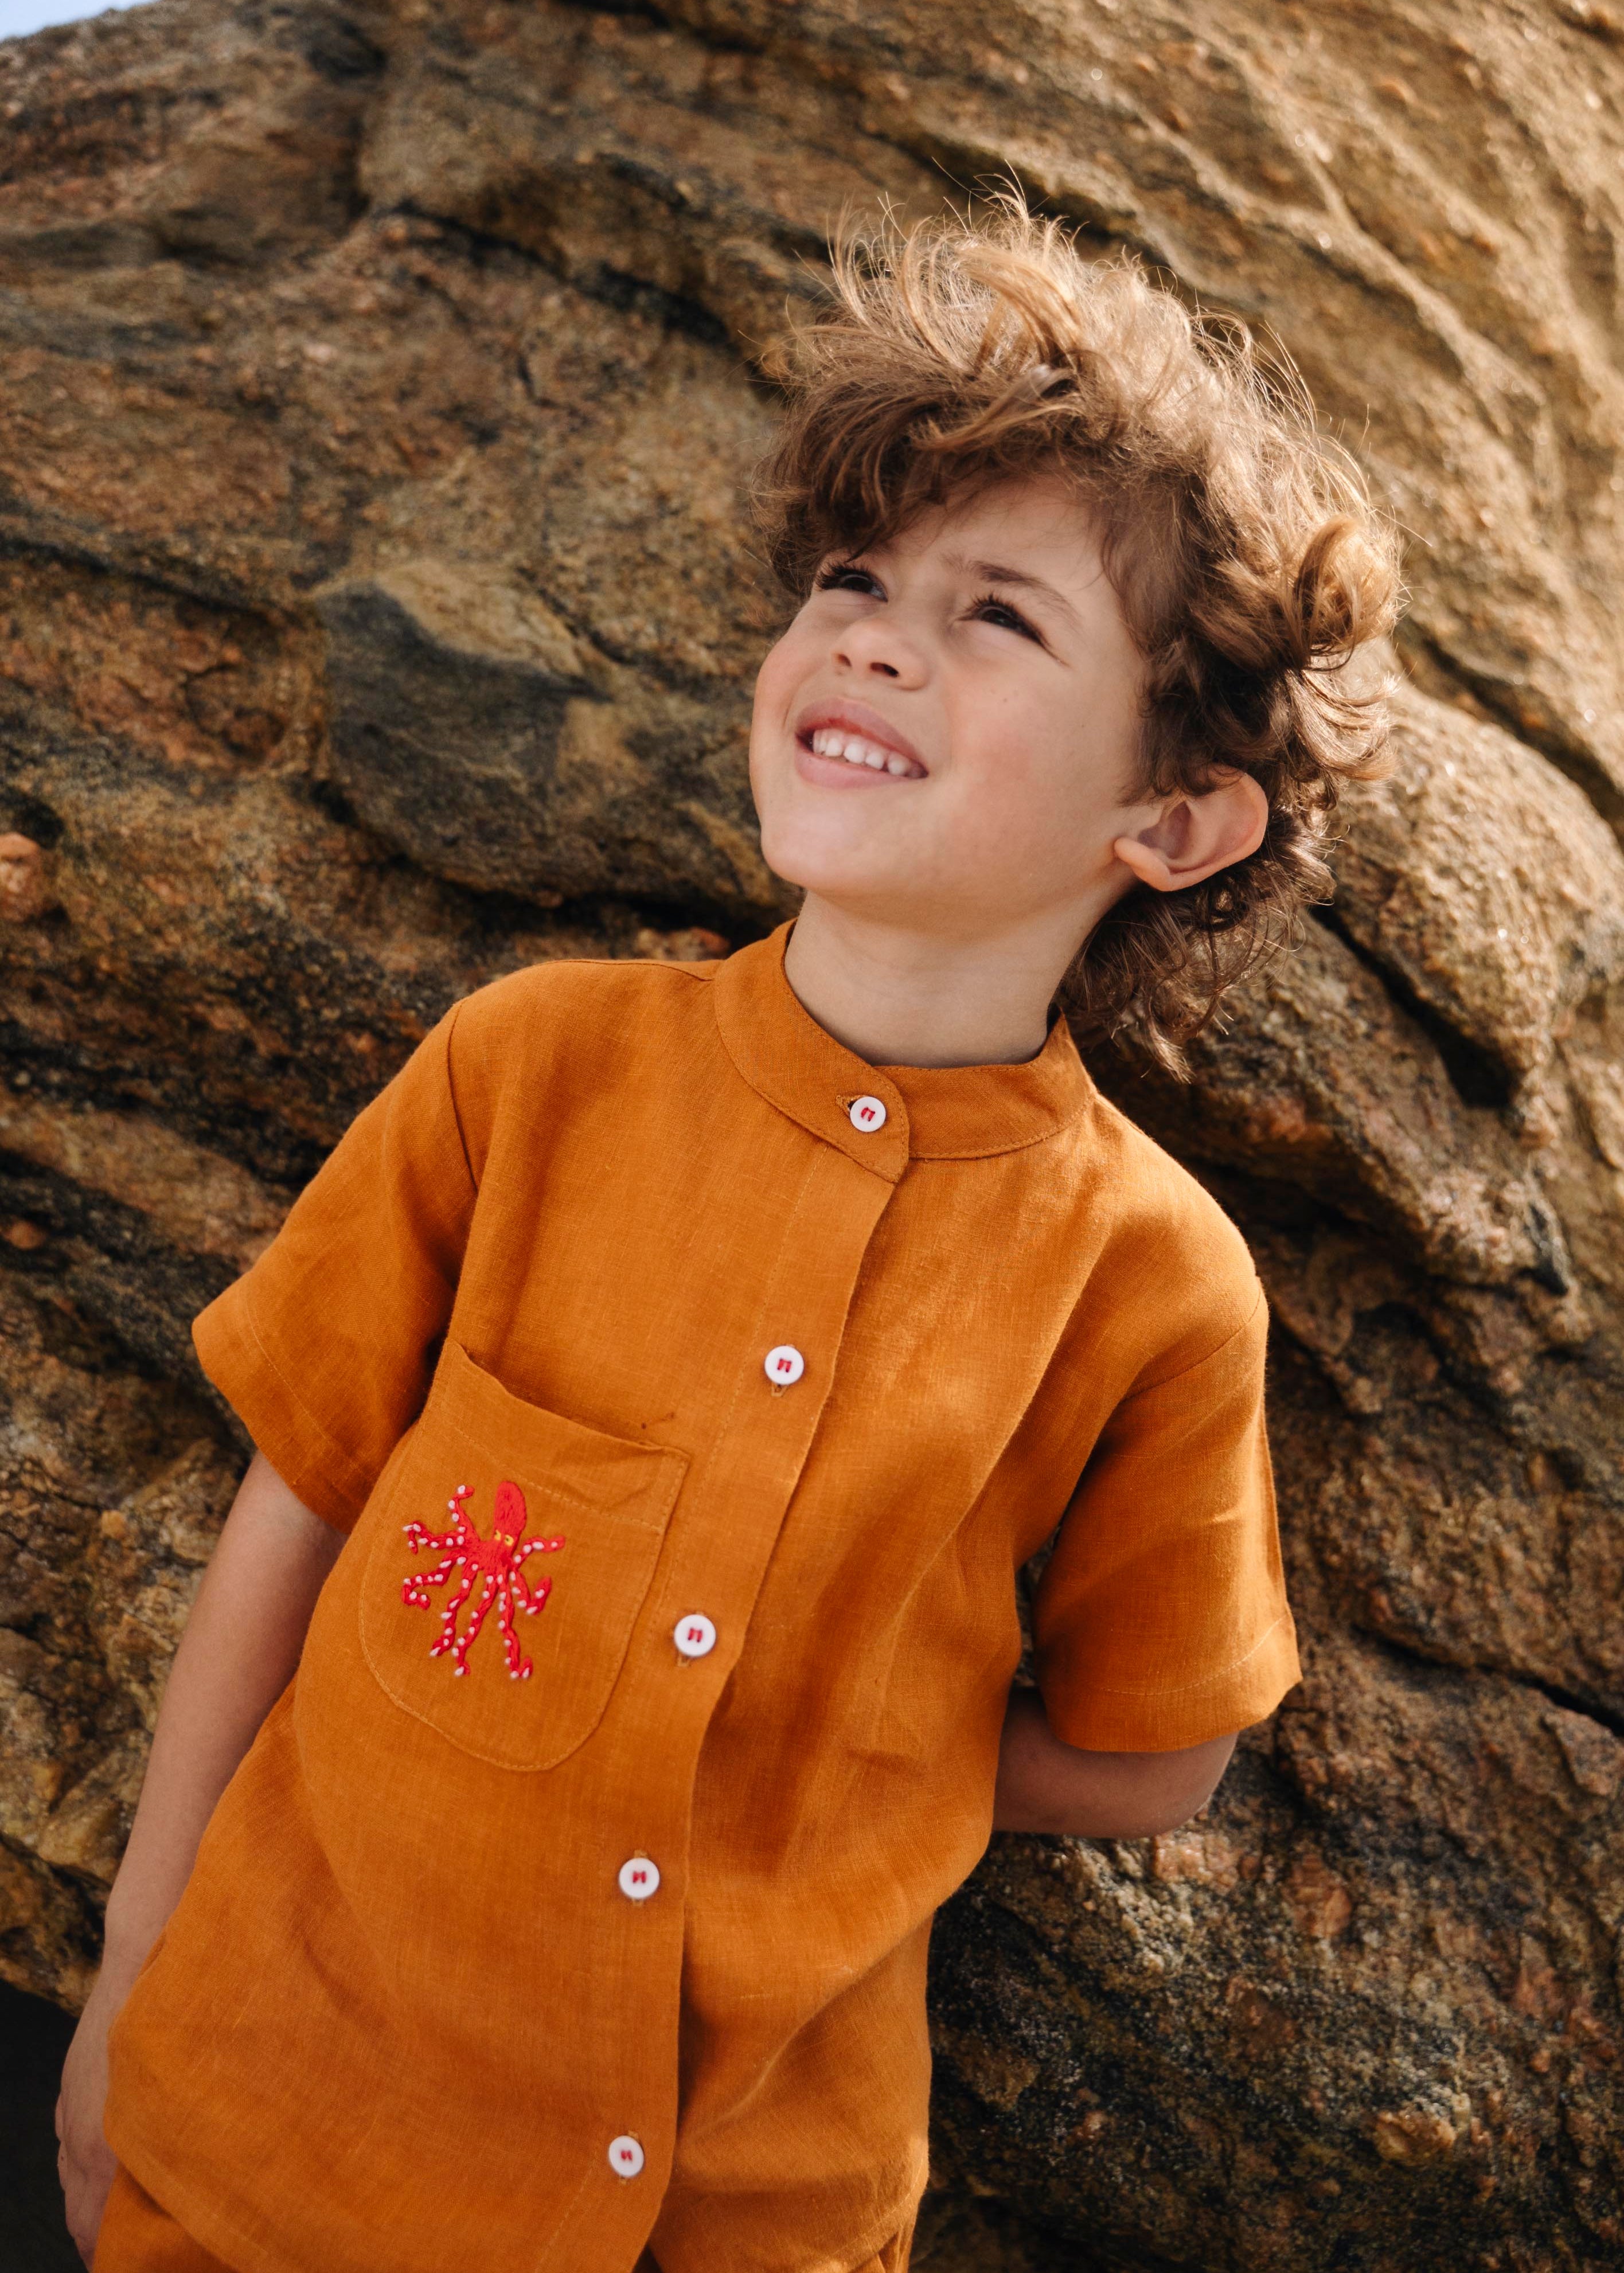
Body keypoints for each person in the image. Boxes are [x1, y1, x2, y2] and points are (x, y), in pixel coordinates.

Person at [58, 198, 1399, 2273]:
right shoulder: (530, 1069)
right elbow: (299, 1506)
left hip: (753, 2218)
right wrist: (128, 1978)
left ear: (1172, 819)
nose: (873, 636)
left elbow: (1161, 1755)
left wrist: (854, 1744)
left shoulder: (1153, 1282)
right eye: (854, 581)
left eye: (997, 616)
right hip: (264, 2152)